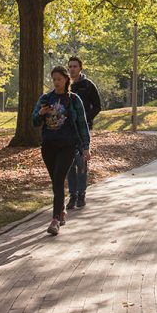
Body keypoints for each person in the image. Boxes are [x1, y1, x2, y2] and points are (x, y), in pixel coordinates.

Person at [32, 66, 91, 236]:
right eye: (54, 79)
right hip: (49, 146)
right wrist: (41, 114)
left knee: (58, 180)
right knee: (56, 183)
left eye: (59, 79)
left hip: (67, 146)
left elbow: (82, 124)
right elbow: (34, 122)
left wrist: (86, 147)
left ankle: (55, 219)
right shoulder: (45, 98)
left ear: (66, 80)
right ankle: (62, 209)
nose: (56, 82)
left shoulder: (73, 100)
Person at [65, 56, 102, 210]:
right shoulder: (65, 85)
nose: (72, 69)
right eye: (70, 66)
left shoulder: (88, 85)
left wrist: (85, 119)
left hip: (83, 130)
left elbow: (97, 106)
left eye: (75, 66)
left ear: (80, 68)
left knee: (81, 162)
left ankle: (81, 194)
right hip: (67, 131)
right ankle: (72, 195)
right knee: (69, 164)